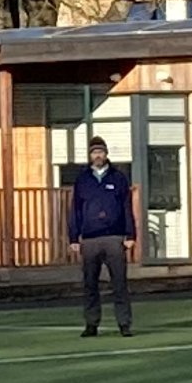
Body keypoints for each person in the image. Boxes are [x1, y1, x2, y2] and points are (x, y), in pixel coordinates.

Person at [69, 136, 136, 338]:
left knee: (120, 284)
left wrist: (130, 234)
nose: (98, 155)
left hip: (115, 238)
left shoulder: (118, 178)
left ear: (106, 154)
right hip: (89, 239)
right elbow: (75, 210)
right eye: (94, 152)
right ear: (90, 155)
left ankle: (124, 324)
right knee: (90, 284)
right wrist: (73, 237)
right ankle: (91, 324)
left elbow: (127, 208)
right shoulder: (82, 179)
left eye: (101, 152)